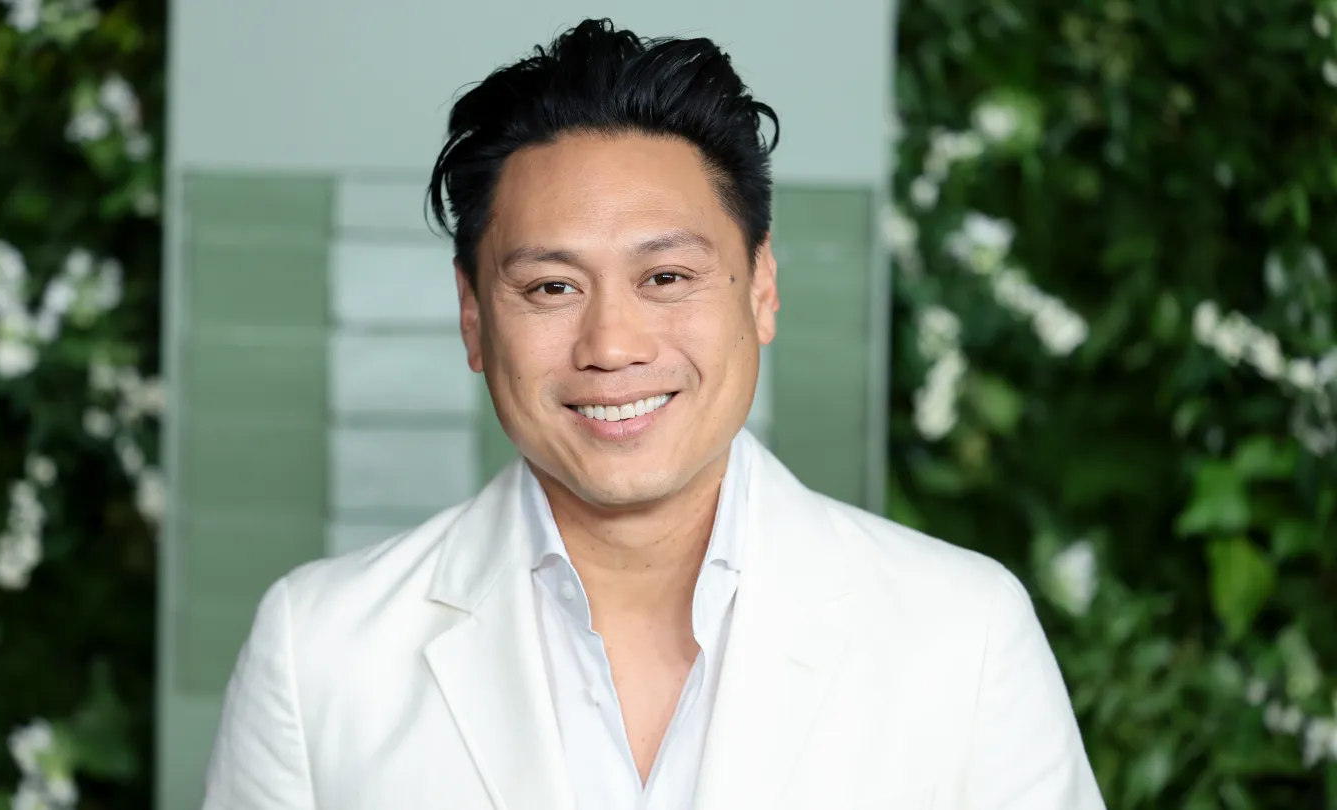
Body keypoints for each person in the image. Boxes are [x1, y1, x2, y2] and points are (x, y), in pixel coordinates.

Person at [201, 17, 1106, 810]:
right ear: (473, 317)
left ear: (761, 288)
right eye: (551, 287)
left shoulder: (962, 635)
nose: (612, 345)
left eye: (666, 277)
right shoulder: (320, 652)